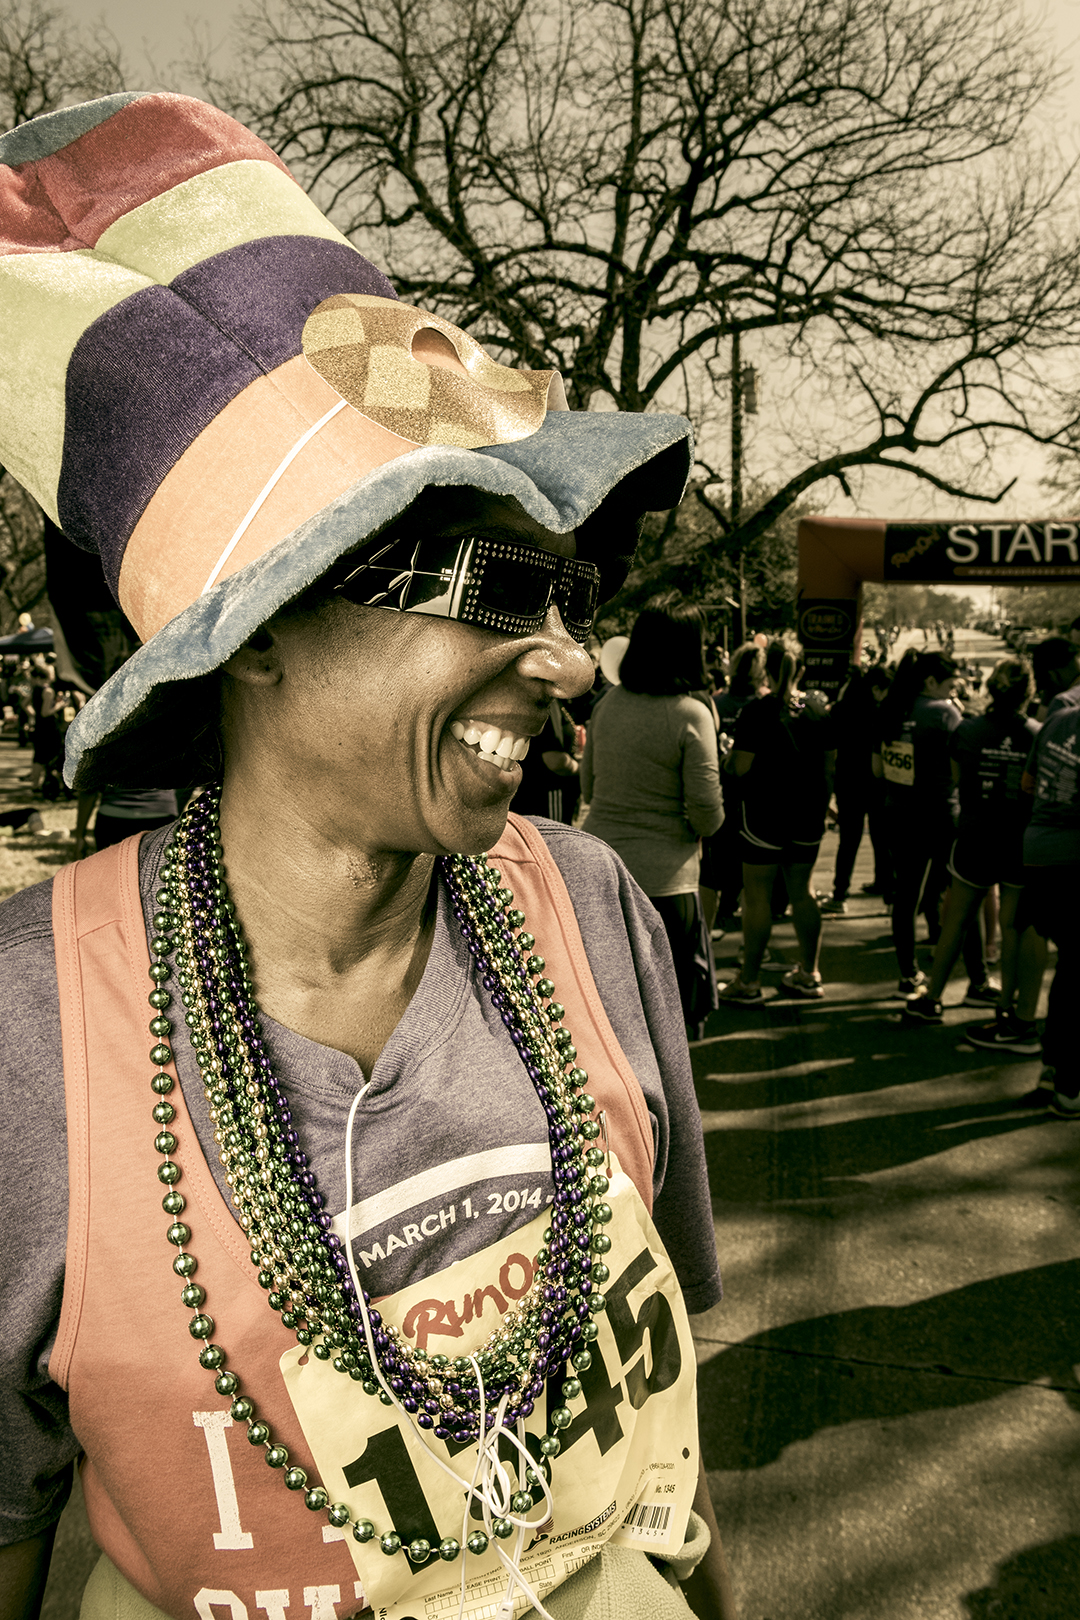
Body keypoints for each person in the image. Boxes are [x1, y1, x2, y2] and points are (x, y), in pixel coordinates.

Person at [0, 94, 736, 1620]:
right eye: (497, 588)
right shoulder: (27, 1026)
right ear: (255, 630)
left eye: (573, 595)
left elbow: (663, 1409)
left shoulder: (587, 903)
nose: (571, 661)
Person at [581, 603, 723, 1036]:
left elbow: (589, 789)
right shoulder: (691, 713)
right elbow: (708, 815)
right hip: (667, 884)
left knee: (614, 1021)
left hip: (601, 875)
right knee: (668, 1027)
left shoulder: (607, 705)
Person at [903, 658, 1041, 1040]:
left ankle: (932, 997)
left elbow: (957, 779)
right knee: (1012, 928)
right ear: (1028, 693)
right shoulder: (1037, 734)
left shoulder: (966, 730)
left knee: (956, 920)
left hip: (975, 835)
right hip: (1018, 840)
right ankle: (1005, 1006)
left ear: (991, 690)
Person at [719, 639, 835, 1004]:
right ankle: (810, 974)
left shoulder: (757, 711)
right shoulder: (817, 709)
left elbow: (740, 768)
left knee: (758, 897)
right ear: (802, 670)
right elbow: (829, 766)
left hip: (764, 815)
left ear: (766, 670)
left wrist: (726, 757)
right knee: (804, 892)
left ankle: (749, 982)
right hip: (808, 814)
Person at [873, 651, 992, 1000]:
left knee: (906, 897)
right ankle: (978, 980)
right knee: (963, 895)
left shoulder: (891, 709)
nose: (953, 691)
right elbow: (963, 766)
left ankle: (908, 975)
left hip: (899, 813)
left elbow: (877, 769)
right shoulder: (943, 713)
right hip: (941, 814)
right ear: (930, 681)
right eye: (951, 685)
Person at [821, 664, 891, 914]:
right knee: (882, 838)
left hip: (848, 781)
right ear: (876, 689)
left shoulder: (842, 709)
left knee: (849, 841)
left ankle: (840, 894)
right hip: (877, 781)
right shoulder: (884, 712)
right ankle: (888, 893)